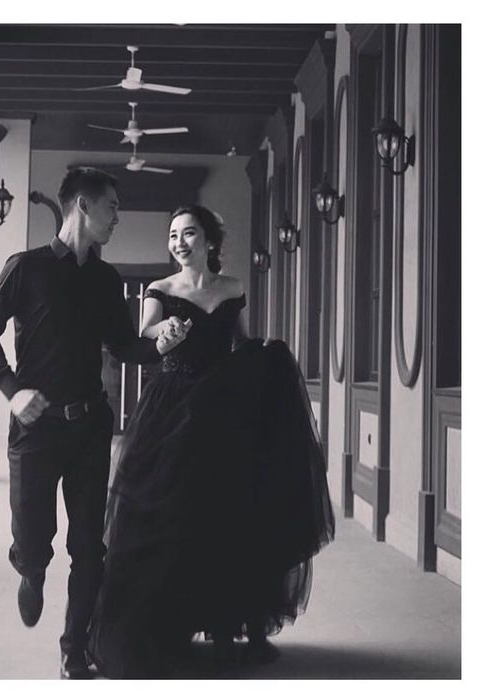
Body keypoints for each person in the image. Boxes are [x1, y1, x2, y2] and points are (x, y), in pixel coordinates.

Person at [87, 204, 335, 678]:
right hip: (172, 410)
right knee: (168, 515)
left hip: (223, 414)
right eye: (172, 235)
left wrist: (264, 358)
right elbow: (145, 332)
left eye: (188, 233)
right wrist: (165, 330)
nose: (179, 242)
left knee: (225, 516)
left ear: (209, 240)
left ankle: (225, 625)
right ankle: (162, 628)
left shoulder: (232, 287)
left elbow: (239, 341)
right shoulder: (161, 289)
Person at [0, 167, 190, 680]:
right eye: (112, 206)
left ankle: (73, 649)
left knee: (90, 547)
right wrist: (12, 390)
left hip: (90, 427)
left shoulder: (107, 279)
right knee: (34, 539)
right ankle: (30, 568)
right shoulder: (25, 267)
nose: (117, 217)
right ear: (83, 206)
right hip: (35, 428)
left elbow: (125, 345)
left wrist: (163, 345)